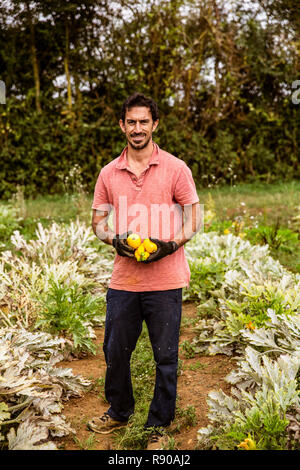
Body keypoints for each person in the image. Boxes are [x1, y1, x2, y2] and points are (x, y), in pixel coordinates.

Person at [88, 92, 201, 450]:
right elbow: (99, 222)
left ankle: (159, 424)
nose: (137, 128)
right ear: (122, 125)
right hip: (124, 279)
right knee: (115, 350)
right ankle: (119, 410)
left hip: (166, 280)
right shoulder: (109, 172)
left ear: (155, 124)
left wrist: (170, 245)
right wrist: (114, 240)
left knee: (165, 354)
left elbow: (194, 218)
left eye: (143, 121)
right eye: (131, 122)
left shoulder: (176, 168)